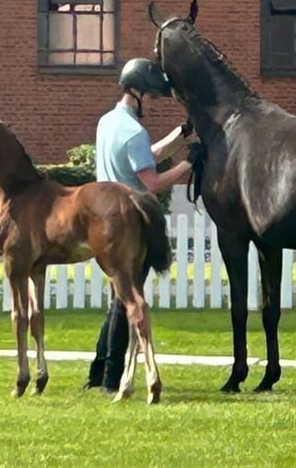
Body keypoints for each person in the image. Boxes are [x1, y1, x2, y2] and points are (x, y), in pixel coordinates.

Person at [84, 57, 205, 393]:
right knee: (128, 303)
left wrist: (180, 134)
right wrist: (187, 165)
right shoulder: (134, 130)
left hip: (101, 221)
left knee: (116, 300)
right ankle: (110, 379)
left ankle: (96, 373)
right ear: (137, 92)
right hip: (129, 225)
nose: (149, 103)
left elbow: (143, 154)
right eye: (149, 97)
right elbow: (150, 182)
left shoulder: (107, 122)